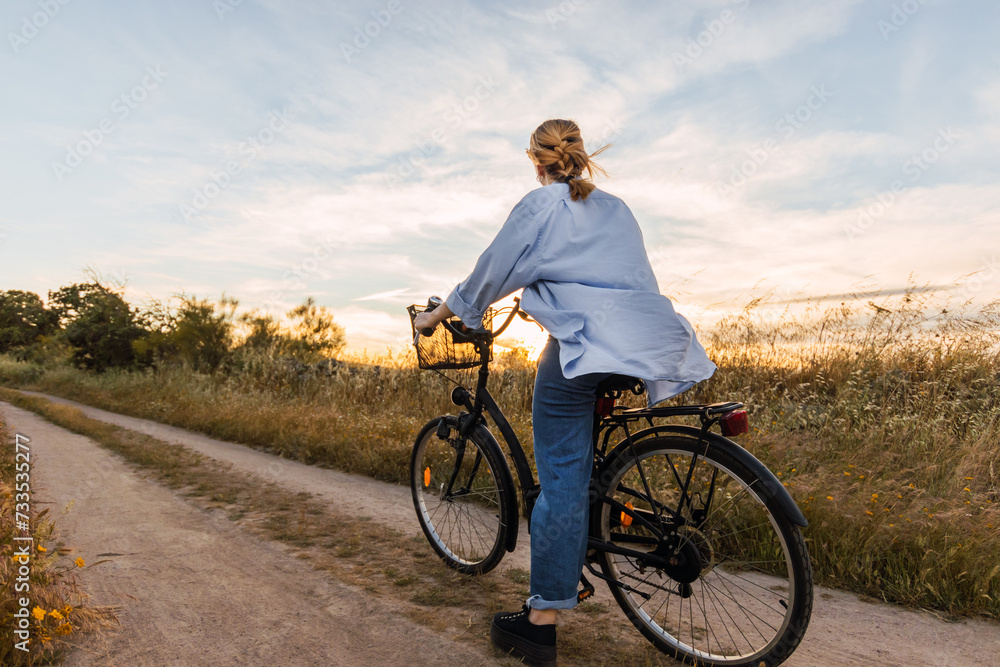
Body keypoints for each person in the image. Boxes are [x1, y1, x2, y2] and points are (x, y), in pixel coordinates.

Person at [412, 119, 716, 667]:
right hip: (643, 337)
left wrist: (436, 316)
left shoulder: (541, 205)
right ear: (579, 156)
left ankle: (541, 621)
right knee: (580, 472)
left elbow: (487, 275)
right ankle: (576, 554)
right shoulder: (617, 209)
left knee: (561, 480)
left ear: (537, 161)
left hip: (582, 343)